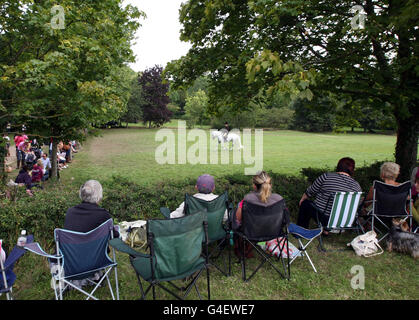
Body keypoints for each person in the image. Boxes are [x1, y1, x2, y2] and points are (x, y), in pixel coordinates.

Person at [296, 157, 362, 233]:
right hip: (345, 223)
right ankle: (325, 231)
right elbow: (357, 205)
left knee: (305, 203)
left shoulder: (327, 177)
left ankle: (301, 231)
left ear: (338, 166)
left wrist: (303, 199)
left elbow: (310, 191)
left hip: (326, 220)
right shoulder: (357, 186)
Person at [233, 171, 288, 258]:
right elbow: (285, 220)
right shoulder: (279, 200)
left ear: (254, 186)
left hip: (251, 233)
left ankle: (244, 250)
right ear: (270, 185)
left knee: (234, 218)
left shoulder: (247, 200)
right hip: (274, 233)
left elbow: (238, 220)